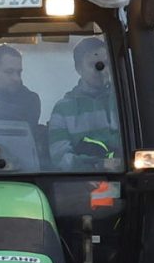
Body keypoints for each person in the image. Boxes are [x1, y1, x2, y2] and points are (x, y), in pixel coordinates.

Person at [44, 37, 123, 171]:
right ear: (78, 68)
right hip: (83, 184)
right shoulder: (63, 109)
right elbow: (60, 157)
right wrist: (97, 165)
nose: (100, 70)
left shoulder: (123, 102)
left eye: (105, 63)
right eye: (93, 64)